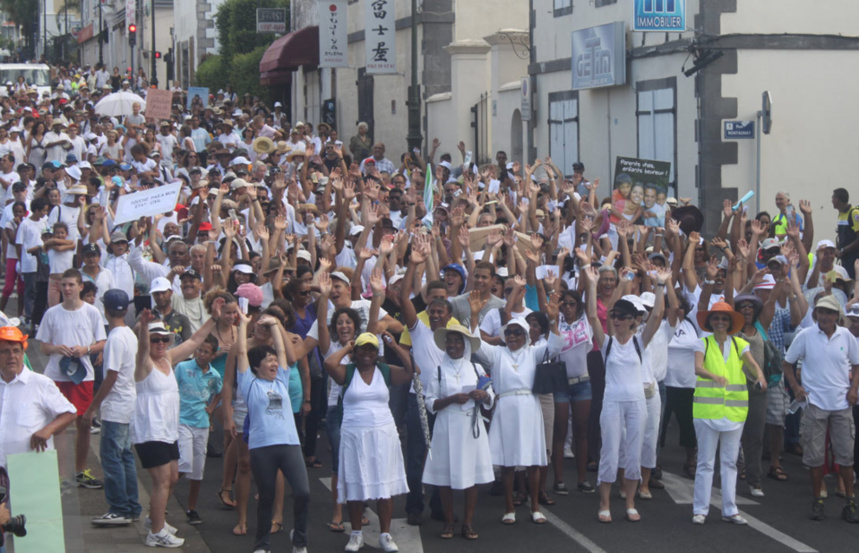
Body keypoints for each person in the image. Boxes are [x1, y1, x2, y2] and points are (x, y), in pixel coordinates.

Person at [470, 288, 562, 525]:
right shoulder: (497, 354)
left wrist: (553, 320)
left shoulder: (534, 353)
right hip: (506, 407)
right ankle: (509, 507)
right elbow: (476, 344)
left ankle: (535, 507)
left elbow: (555, 346)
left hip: (529, 407)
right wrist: (473, 316)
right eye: (508, 333)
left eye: (516, 332)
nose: (511, 336)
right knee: (509, 463)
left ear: (526, 336)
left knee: (532, 461)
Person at [583, 266, 667, 523]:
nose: (617, 319)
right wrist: (592, 284)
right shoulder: (607, 343)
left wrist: (660, 285)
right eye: (614, 315)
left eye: (622, 316)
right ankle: (605, 503)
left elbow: (659, 314)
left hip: (637, 403)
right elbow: (591, 316)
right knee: (610, 450)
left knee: (634, 453)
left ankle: (630, 502)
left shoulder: (640, 343)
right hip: (612, 402)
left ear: (633, 320)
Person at [324, 328, 414, 553]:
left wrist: (394, 346)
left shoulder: (385, 370)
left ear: (376, 352)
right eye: (363, 348)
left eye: (371, 349)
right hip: (354, 434)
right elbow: (329, 364)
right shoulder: (348, 371)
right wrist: (348, 346)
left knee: (383, 485)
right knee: (355, 483)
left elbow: (410, 370)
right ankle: (356, 534)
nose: (367, 353)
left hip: (383, 434)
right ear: (356, 351)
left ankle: (385, 534)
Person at [133, 307, 216, 548]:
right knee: (161, 482)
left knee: (171, 479)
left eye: (164, 339)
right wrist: (145, 327)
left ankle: (154, 519)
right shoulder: (144, 363)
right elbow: (141, 349)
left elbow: (194, 340)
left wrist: (215, 318)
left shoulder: (168, 359)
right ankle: (156, 532)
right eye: (155, 339)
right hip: (150, 432)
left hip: (168, 431)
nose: (160, 343)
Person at [235, 308, 309, 553]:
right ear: (257, 367)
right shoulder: (249, 383)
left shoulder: (282, 380)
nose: (275, 364)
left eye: (275, 361)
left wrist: (276, 324)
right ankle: (262, 545)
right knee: (266, 498)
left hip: (289, 443)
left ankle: (299, 541)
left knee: (303, 492)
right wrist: (243, 325)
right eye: (269, 361)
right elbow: (242, 352)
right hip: (262, 446)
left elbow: (281, 350)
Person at [783, 295, 859, 522]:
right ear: (816, 314)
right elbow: (787, 363)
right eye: (821, 312)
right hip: (815, 404)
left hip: (841, 404)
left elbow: (856, 364)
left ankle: (851, 502)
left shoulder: (846, 335)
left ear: (837, 316)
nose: (824, 316)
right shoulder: (805, 335)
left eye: (829, 312)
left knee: (845, 457)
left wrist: (854, 389)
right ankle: (818, 500)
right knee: (815, 458)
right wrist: (796, 387)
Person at [691, 302, 766, 525]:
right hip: (707, 411)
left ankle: (730, 509)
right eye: (716, 318)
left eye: (724, 319)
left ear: (730, 322)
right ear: (710, 321)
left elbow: (751, 363)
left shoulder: (739, 344)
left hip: (734, 411)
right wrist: (714, 376)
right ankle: (700, 509)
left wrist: (760, 376)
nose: (720, 322)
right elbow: (697, 367)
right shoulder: (702, 342)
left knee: (730, 462)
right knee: (705, 462)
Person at [36, 268, 107, 489]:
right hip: (56, 376)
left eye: (71, 285)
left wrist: (85, 349)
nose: (67, 289)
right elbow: (44, 347)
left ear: (80, 287)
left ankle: (80, 471)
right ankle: (61, 476)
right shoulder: (52, 313)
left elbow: (102, 342)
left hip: (82, 377)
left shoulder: (92, 312)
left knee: (83, 424)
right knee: (58, 426)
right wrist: (58, 348)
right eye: (64, 285)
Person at [422, 325, 494, 540]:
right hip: (446, 425)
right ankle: (449, 521)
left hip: (470, 426)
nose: (452, 345)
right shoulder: (438, 370)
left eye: (457, 341)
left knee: (470, 476)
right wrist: (452, 399)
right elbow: (429, 403)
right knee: (445, 477)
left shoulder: (476, 369)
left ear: (465, 345)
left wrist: (483, 394)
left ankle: (468, 522)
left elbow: (491, 394)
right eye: (449, 341)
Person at [84, 290, 141, 526]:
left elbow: (111, 376)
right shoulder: (128, 334)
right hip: (129, 402)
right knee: (125, 456)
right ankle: (132, 505)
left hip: (117, 406)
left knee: (111, 458)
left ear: (105, 310)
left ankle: (119, 508)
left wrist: (92, 408)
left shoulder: (116, 338)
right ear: (125, 310)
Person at [0, 325, 76, 469]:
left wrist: (47, 430)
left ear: (23, 354)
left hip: (31, 470)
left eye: (16, 351)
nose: (12, 356)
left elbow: (70, 413)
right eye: (5, 351)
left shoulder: (41, 383)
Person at [174, 334, 222, 526]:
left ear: (213, 355)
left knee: (197, 470)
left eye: (206, 352)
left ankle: (191, 508)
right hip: (182, 420)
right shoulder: (183, 367)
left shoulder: (214, 375)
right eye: (199, 350)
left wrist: (211, 407)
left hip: (201, 423)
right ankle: (163, 497)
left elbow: (219, 392)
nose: (201, 355)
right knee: (184, 461)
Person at [832, 187, 859, 279]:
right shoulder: (840, 215)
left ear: (838, 199)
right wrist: (836, 249)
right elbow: (841, 237)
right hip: (844, 259)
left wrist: (843, 251)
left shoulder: (854, 213)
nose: (831, 200)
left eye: (833, 198)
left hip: (854, 259)